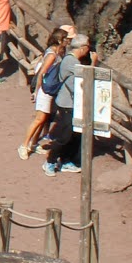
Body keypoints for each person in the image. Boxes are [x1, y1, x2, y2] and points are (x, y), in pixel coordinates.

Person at [42, 33, 95, 174]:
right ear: (83, 48)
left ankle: (66, 160)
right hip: (68, 104)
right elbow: (87, 79)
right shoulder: (72, 63)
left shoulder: (72, 61)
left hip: (71, 103)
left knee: (74, 134)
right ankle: (50, 161)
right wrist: (94, 63)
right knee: (65, 135)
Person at [18, 27, 71, 159]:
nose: (68, 41)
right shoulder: (52, 55)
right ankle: (24, 145)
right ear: (59, 40)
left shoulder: (60, 52)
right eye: (66, 39)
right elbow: (42, 73)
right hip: (44, 90)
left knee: (44, 118)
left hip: (51, 89)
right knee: (39, 119)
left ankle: (34, 144)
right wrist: (36, 92)